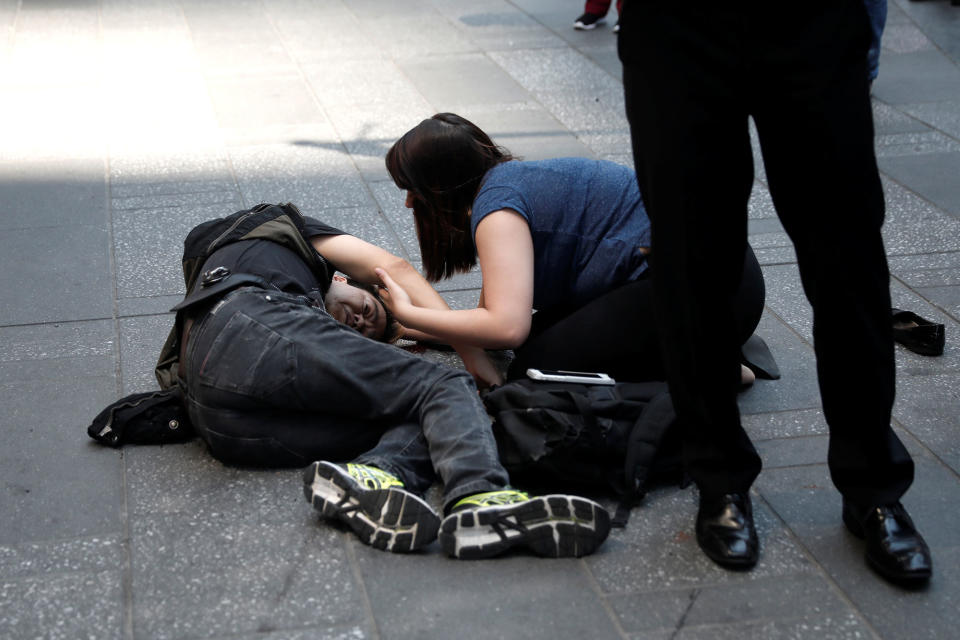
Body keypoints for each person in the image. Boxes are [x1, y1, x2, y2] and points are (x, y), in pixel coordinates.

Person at [617, 3, 932, 584]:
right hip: (675, 31)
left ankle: (874, 486)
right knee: (692, 259)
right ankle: (718, 478)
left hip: (814, 21)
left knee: (848, 257)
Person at [176, 205, 611, 559]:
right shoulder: (284, 228)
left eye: (365, 332)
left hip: (222, 422)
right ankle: (480, 497)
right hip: (247, 323)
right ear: (344, 279)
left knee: (426, 416)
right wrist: (472, 358)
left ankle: (375, 475)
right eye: (367, 304)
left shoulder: (292, 334)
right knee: (445, 386)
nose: (362, 320)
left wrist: (422, 334)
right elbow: (393, 266)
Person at [378, 113, 766, 388]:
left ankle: (713, 369)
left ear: (441, 186)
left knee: (534, 369)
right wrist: (416, 327)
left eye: (414, 189)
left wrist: (408, 311)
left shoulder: (497, 211)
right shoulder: (507, 183)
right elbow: (492, 318)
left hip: (708, 294)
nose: (410, 203)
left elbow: (506, 328)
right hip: (725, 272)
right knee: (541, 340)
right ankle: (698, 354)